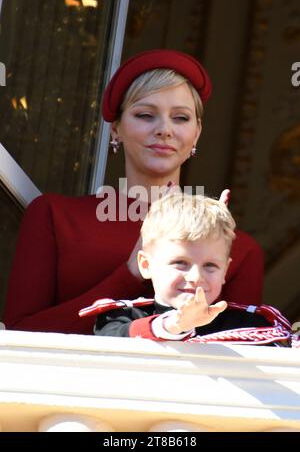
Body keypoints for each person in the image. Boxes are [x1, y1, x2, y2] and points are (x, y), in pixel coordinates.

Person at [3, 49, 264, 335]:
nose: (164, 129)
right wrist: (129, 274)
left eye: (180, 118)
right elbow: (21, 334)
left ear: (197, 133)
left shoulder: (238, 247)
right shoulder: (55, 216)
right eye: (145, 115)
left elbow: (241, 349)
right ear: (115, 129)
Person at [93, 193, 278, 341]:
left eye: (210, 265)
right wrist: (174, 326)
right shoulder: (119, 318)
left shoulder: (250, 326)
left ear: (225, 271)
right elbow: (112, 339)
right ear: (146, 265)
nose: (196, 277)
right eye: (180, 263)